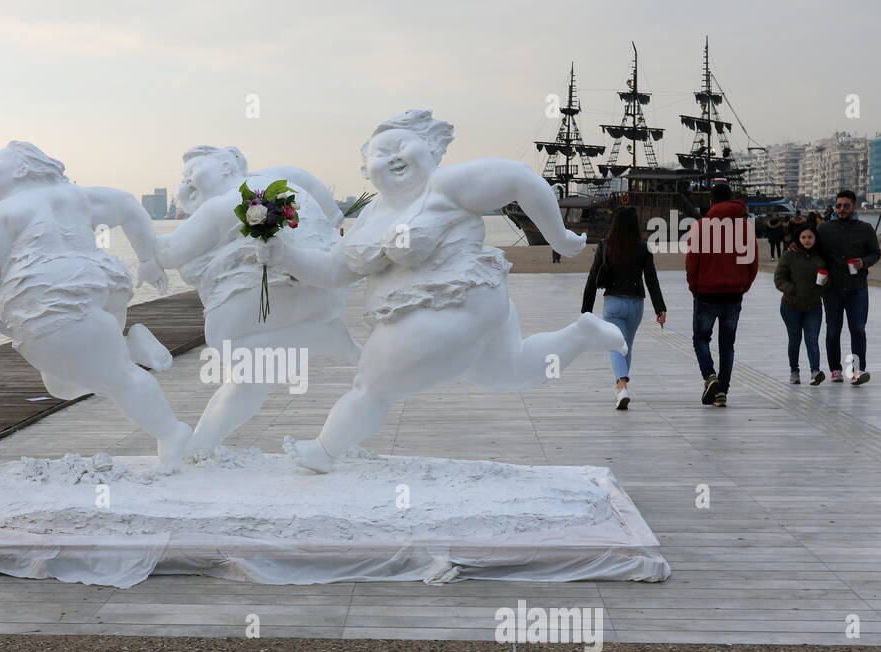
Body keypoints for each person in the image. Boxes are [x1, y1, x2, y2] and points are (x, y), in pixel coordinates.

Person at [264, 109, 626, 473]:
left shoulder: (444, 185)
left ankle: (325, 450)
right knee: (507, 371)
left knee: (374, 382)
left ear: (431, 152)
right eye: (380, 152)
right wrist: (284, 254)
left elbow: (519, 179)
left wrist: (559, 237)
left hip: (459, 300)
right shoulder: (372, 216)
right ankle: (582, 335)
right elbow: (331, 269)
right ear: (364, 170)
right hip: (467, 308)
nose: (393, 156)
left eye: (402, 145)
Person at [0, 141, 194, 470]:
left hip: (54, 297)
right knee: (60, 383)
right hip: (103, 282)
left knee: (116, 378)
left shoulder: (9, 210)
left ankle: (172, 433)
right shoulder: (75, 196)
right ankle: (128, 348)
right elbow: (127, 205)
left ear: (19, 169)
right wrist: (147, 258)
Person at [147, 145, 359, 455]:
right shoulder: (286, 177)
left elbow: (167, 252)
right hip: (327, 286)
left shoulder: (225, 203)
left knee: (223, 339)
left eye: (193, 171)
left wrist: (133, 226)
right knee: (251, 374)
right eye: (183, 177)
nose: (186, 181)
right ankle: (202, 445)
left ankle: (326, 337)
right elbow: (330, 211)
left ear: (225, 165)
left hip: (278, 287)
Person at [581, 205, 667, 409]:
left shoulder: (605, 245)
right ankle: (622, 386)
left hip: (613, 303)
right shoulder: (643, 246)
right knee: (625, 346)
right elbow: (651, 280)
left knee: (615, 346)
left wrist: (586, 310)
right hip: (636, 303)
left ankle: (621, 386)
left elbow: (592, 278)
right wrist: (659, 308)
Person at [685, 182, 758, 408]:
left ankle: (710, 376)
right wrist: (743, 286)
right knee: (727, 345)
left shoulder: (701, 226)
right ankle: (722, 391)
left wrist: (694, 287)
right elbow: (752, 262)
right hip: (733, 294)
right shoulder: (745, 227)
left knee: (700, 339)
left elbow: (692, 262)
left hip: (706, 293)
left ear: (711, 202)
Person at [818, 189, 880, 385]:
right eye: (838, 205)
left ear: (854, 206)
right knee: (833, 330)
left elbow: (875, 253)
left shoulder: (865, 228)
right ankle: (835, 369)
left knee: (858, 330)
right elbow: (809, 247)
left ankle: (857, 371)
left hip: (857, 288)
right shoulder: (824, 229)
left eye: (846, 205)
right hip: (832, 288)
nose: (841, 209)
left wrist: (864, 262)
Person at [773, 226, 827, 385]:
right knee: (794, 340)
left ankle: (815, 372)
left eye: (810, 237)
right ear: (798, 239)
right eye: (803, 237)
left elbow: (828, 276)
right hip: (791, 306)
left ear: (815, 238)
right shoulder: (789, 255)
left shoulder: (821, 255)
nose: (807, 240)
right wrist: (792, 290)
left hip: (814, 305)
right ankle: (794, 371)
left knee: (812, 339)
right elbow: (779, 278)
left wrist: (825, 282)